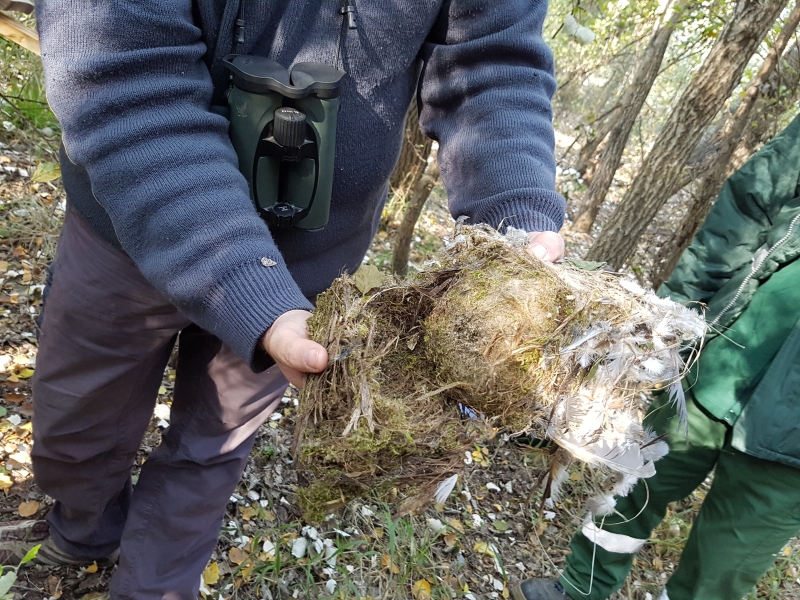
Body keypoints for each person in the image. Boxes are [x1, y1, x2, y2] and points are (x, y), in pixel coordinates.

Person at [10, 1, 567, 598]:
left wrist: (514, 226)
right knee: (79, 417)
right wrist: (243, 281)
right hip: (129, 222)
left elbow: (490, 61)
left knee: (212, 447)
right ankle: (85, 527)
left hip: (310, 263)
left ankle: (153, 588)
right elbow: (123, 76)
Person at [513, 114, 800, 600]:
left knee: (725, 566)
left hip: (790, 447)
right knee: (633, 487)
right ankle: (579, 590)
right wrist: (678, 316)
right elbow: (750, 202)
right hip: (722, 362)